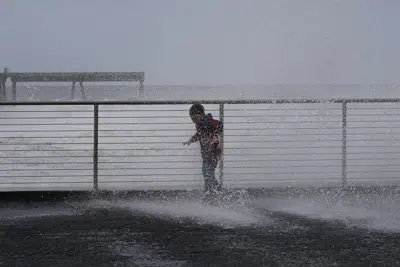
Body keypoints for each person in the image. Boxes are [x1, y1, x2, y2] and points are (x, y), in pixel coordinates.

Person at [183, 103, 223, 196]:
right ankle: (210, 191)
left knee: (208, 173)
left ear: (201, 114)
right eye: (192, 118)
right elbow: (199, 134)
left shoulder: (209, 121)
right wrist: (191, 140)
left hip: (213, 152)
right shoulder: (199, 123)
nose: (194, 120)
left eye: (195, 118)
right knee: (206, 173)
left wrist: (214, 135)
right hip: (206, 154)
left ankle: (215, 191)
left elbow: (220, 125)